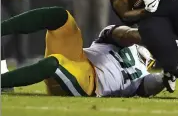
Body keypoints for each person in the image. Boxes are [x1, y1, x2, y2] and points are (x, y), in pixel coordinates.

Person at [1, 7, 169, 98]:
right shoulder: (122, 40)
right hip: (80, 57)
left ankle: (3, 81)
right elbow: (123, 34)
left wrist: (166, 77)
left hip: (89, 83)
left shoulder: (144, 74)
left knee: (55, 63)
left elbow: (149, 86)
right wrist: (144, 35)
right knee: (61, 17)